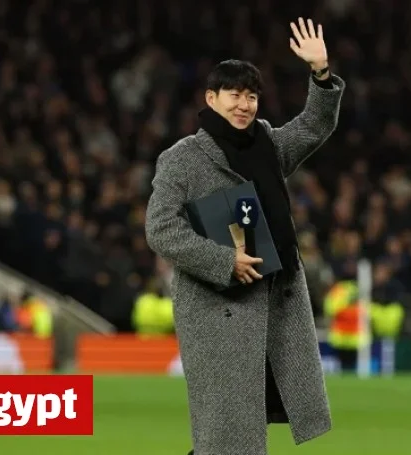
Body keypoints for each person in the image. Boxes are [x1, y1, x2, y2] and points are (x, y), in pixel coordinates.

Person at [145, 18, 344, 455]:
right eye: (234, 94)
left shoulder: (267, 143)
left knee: (237, 438)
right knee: (227, 438)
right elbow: (160, 228)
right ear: (211, 98)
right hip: (218, 312)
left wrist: (321, 73)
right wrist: (222, 261)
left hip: (274, 304)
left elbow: (314, 126)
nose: (244, 104)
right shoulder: (182, 159)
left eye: (251, 95)